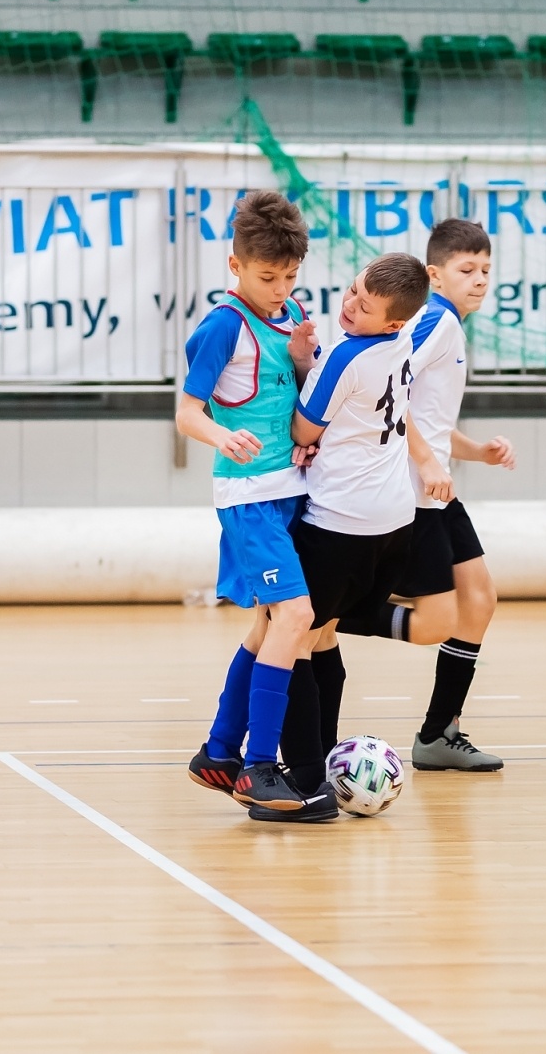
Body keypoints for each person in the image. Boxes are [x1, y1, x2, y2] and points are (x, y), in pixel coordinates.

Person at [337, 218, 516, 772]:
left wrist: (473, 451)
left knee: (480, 599)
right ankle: (331, 611)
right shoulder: (434, 320)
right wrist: (425, 459)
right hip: (414, 494)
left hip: (436, 488)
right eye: (467, 270)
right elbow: (390, 394)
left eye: (486, 269)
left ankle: (439, 734)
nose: (480, 279)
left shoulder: (450, 325)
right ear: (436, 275)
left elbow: (429, 419)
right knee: (438, 617)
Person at [175, 190, 332, 822]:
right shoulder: (220, 326)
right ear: (235, 265)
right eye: (268, 277)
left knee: (272, 625)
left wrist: (301, 359)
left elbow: (293, 392)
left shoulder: (289, 313)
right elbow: (187, 413)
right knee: (297, 616)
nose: (281, 288)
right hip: (248, 499)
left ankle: (218, 752)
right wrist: (224, 436)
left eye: (291, 276)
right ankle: (260, 768)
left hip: (290, 492)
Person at [272, 253, 447, 813]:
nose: (348, 306)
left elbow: (303, 426)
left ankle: (303, 781)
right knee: (324, 634)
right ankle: (322, 761)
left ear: (394, 320)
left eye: (363, 305)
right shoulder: (406, 336)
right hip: (392, 521)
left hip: (341, 522)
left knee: (293, 635)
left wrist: (304, 366)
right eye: (350, 291)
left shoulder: (346, 354)